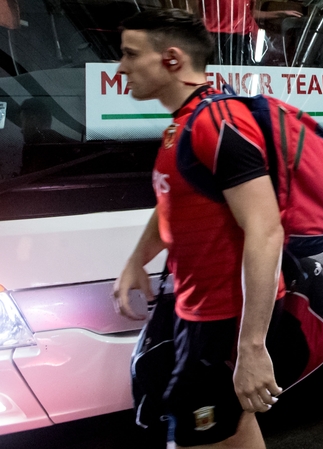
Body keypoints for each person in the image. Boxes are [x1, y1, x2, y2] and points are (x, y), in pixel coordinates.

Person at [113, 9, 284, 448]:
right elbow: (174, 197)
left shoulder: (216, 123)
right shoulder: (184, 123)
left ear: (171, 59)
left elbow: (265, 230)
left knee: (200, 437)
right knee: (234, 428)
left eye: (131, 54)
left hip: (222, 320)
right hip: (195, 310)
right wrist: (138, 258)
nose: (121, 67)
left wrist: (251, 346)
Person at [190, 0, 301, 66]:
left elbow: (249, 13)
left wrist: (280, 13)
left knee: (242, 76)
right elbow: (197, 14)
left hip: (242, 39)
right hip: (216, 37)